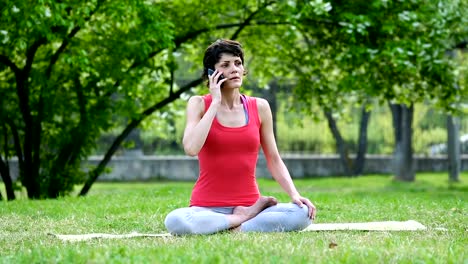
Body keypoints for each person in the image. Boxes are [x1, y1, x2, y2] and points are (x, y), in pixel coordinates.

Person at [164, 39, 316, 235]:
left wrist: (295, 195)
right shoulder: (199, 104)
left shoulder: (259, 107)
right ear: (212, 73)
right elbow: (191, 149)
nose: (234, 69)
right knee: (176, 221)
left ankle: (235, 225)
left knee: (302, 214)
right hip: (207, 208)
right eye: (225, 65)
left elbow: (274, 158)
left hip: (251, 203)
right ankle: (239, 220)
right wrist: (215, 102)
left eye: (238, 63)